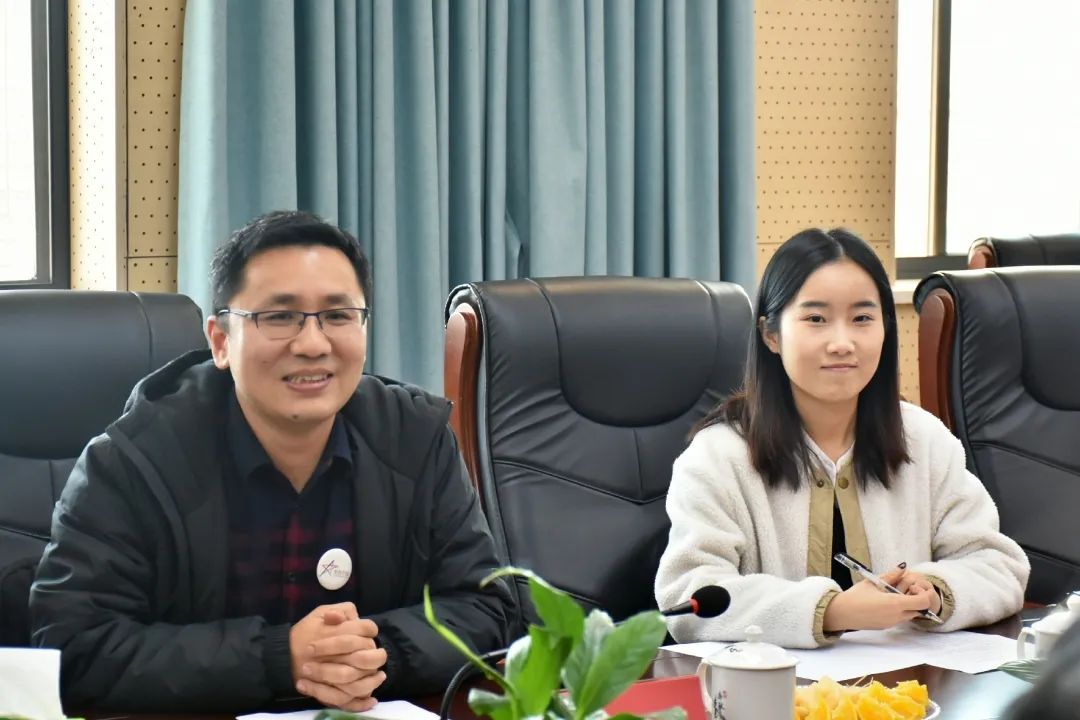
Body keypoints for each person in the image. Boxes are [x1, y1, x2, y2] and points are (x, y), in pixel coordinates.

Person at [30, 211, 512, 712]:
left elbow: (487, 608)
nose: (313, 344)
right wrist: (279, 658)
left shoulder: (415, 438)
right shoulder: (133, 461)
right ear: (221, 342)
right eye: (279, 317)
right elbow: (73, 648)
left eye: (338, 315)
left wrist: (369, 651)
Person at [655, 227, 1029, 648]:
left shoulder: (923, 439)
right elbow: (688, 598)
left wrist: (936, 591)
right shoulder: (719, 455)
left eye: (862, 319)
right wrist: (831, 611)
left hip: (906, 681)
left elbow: (999, 566)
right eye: (816, 319)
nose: (842, 343)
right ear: (771, 334)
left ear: (886, 329)